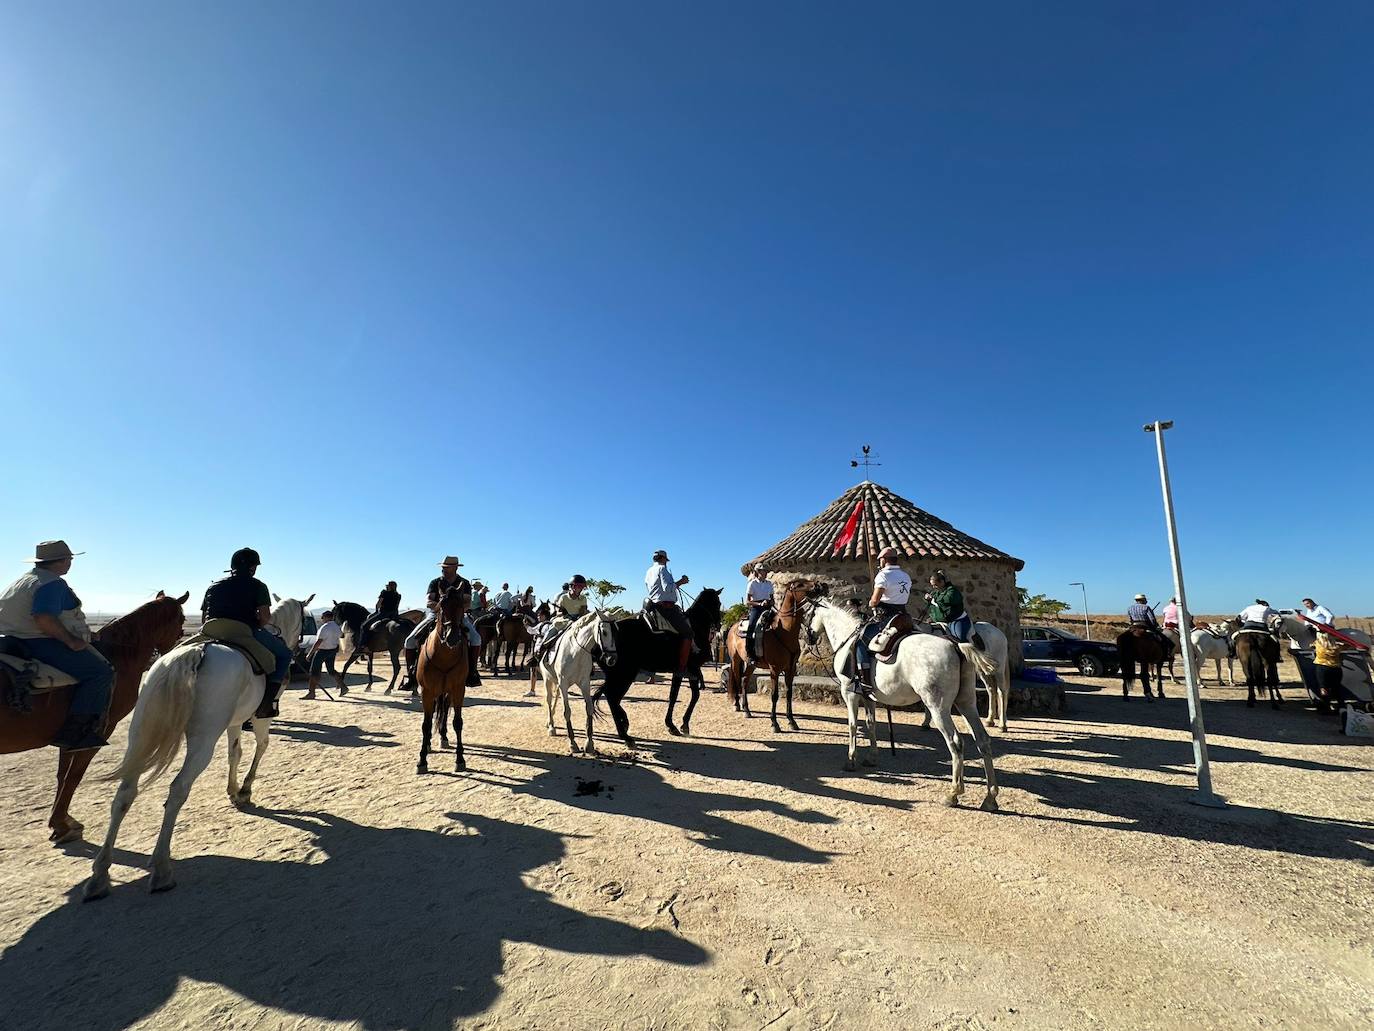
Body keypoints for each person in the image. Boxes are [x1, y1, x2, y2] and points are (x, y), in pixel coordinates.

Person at [0, 540, 114, 750]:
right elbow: (43, 618)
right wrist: (71, 641)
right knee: (100, 673)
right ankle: (77, 732)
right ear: (60, 561)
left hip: (10, 641)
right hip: (39, 642)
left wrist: (87, 635)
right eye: (69, 558)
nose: (70, 562)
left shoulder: (21, 581)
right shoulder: (52, 583)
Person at [201, 547, 294, 719]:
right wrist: (257, 623)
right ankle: (267, 704)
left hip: (210, 630)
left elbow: (204, 616)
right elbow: (265, 617)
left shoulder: (213, 585)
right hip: (243, 630)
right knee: (284, 655)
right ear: (252, 567)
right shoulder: (258, 586)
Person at [402, 556, 481, 688]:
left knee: (476, 639)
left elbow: (467, 603)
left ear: (455, 568)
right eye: (443, 567)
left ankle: (472, 672)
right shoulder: (435, 582)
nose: (443, 570)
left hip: (458, 616)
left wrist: (456, 609)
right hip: (435, 615)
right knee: (409, 640)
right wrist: (442, 607)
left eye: (447, 567)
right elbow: (429, 601)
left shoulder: (464, 583)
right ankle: (411, 674)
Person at [854, 546, 911, 685]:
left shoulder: (883, 575)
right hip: (904, 617)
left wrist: (871, 603)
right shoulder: (905, 575)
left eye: (880, 560)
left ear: (884, 560)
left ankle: (865, 680)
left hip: (886, 618)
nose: (879, 562)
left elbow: (875, 600)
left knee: (860, 640)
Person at [645, 549, 694, 673]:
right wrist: (681, 582)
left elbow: (649, 587)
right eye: (665, 560)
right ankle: (682, 667)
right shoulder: (662, 569)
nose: (666, 562)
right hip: (666, 608)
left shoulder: (649, 571)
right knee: (688, 633)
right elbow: (667, 588)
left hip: (653, 605)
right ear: (662, 559)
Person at [925, 569, 985, 650]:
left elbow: (946, 600)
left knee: (961, 641)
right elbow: (933, 601)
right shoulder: (936, 592)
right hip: (941, 620)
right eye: (932, 585)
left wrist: (934, 599)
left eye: (935, 585)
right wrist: (927, 598)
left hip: (957, 620)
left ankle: (969, 657)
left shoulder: (953, 591)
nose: (933, 587)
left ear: (942, 582)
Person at [304, 609, 342, 700]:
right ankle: (343, 686)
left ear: (325, 617)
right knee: (331, 670)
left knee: (314, 671)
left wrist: (310, 654)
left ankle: (311, 693)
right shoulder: (337, 627)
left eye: (322, 617)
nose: (322, 619)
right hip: (332, 650)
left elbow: (318, 642)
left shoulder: (325, 627)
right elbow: (341, 636)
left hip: (322, 651)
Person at [355, 581, 402, 653]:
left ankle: (363, 646)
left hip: (383, 614)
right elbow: (396, 607)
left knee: (364, 626)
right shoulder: (398, 595)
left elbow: (378, 603)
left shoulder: (384, 593)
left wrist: (377, 611)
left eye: (387, 586)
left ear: (389, 586)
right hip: (394, 615)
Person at [744, 564, 775, 655]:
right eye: (763, 571)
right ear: (758, 572)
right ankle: (749, 652)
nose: (765, 573)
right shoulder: (752, 584)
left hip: (768, 607)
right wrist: (759, 604)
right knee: (752, 626)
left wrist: (771, 602)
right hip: (756, 608)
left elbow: (772, 599)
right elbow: (748, 601)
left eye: (766, 571)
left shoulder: (769, 584)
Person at [1312, 631, 1346, 713]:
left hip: (1322, 669)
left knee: (1324, 689)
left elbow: (1310, 646)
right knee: (1336, 688)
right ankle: (1342, 706)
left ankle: (1326, 707)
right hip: (1336, 669)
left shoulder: (1318, 644)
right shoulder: (1337, 647)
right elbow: (1347, 645)